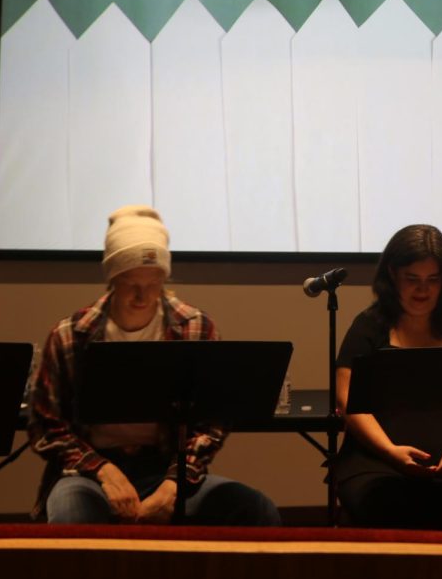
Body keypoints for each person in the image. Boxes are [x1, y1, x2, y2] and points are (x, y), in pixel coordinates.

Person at [29, 205, 280, 525]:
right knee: (71, 515)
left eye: (153, 283)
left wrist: (175, 484)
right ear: (112, 278)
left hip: (166, 468)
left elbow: (210, 423)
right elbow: (46, 424)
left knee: (256, 510)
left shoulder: (195, 328)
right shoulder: (71, 334)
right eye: (130, 283)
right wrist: (103, 471)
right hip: (89, 473)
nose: (141, 295)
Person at [333, 224, 442, 532]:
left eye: (433, 280)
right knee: (387, 505)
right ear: (392, 274)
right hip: (378, 460)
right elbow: (346, 398)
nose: (423, 290)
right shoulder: (369, 326)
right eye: (412, 279)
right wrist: (390, 451)